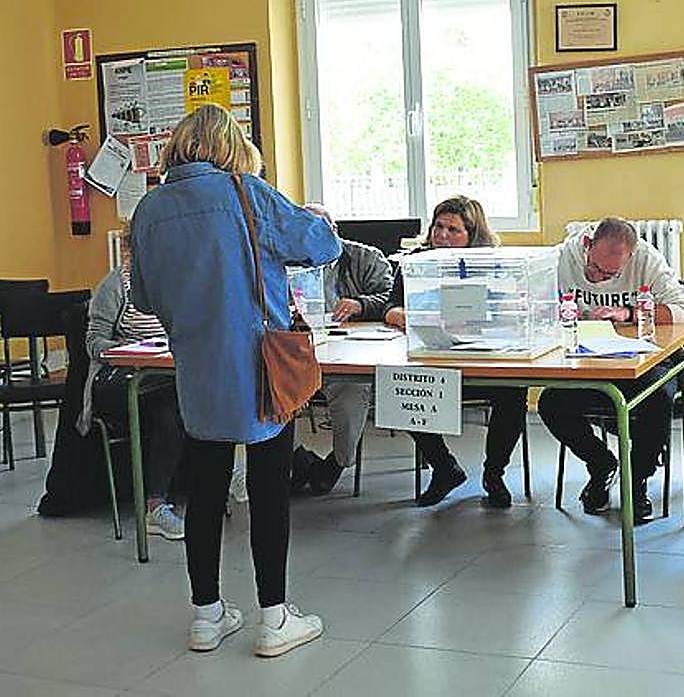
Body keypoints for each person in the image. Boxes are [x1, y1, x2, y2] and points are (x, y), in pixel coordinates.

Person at [130, 103, 341, 657]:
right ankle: (274, 618)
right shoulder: (245, 192)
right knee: (269, 491)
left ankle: (206, 615)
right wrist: (318, 219)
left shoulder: (148, 210)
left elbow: (144, 298)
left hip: (195, 370)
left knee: (205, 490)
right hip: (260, 366)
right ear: (232, 147)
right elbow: (322, 247)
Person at [538, 218, 684, 523]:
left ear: (630, 257)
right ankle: (600, 464)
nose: (599, 278)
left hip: (641, 359)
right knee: (551, 403)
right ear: (587, 246)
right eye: (594, 268)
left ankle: (636, 481)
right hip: (587, 363)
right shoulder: (561, 258)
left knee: (658, 398)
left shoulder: (647, 259)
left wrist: (629, 313)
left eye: (611, 274)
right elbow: (533, 302)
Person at [384, 195, 530, 508]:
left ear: (472, 234)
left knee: (514, 391)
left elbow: (508, 312)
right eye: (438, 227)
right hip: (433, 357)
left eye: (453, 230)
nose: (442, 235)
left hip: (483, 359)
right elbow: (390, 306)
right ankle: (444, 467)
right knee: (400, 387)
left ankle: (494, 474)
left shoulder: (490, 264)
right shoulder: (416, 262)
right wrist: (404, 316)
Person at [80, 221, 185, 540]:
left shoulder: (174, 283)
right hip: (117, 380)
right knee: (172, 405)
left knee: (196, 393)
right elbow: (94, 342)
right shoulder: (114, 286)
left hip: (164, 375)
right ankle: (155, 506)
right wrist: (130, 349)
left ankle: (230, 477)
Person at [289, 203, 393, 495]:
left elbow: (389, 296)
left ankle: (338, 461)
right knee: (266, 386)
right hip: (300, 348)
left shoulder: (366, 258)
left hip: (350, 350)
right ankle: (296, 458)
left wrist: (360, 304)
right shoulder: (286, 261)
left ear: (334, 231)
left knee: (349, 387)